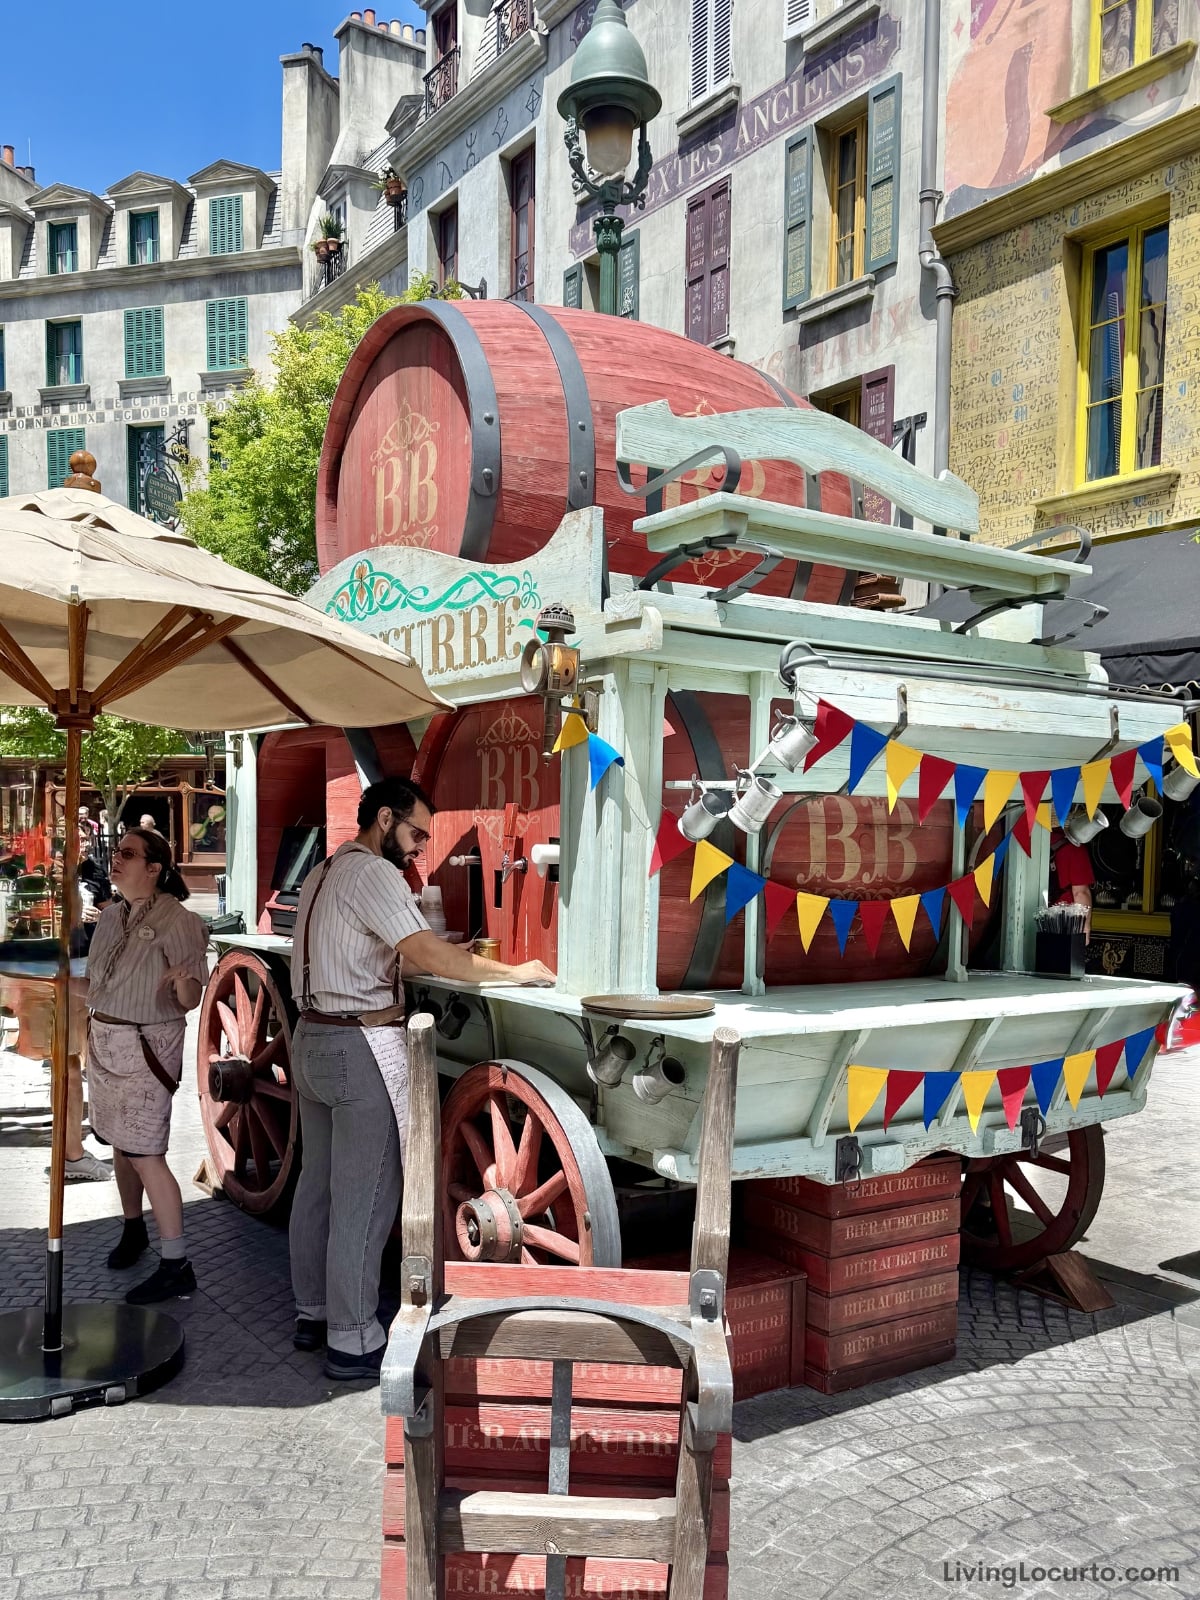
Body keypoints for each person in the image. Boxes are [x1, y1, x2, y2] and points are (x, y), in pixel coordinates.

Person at [288, 776, 554, 1382]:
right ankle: (352, 1340)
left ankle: (313, 1311)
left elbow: (385, 949)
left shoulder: (321, 873)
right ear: (384, 818)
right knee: (366, 1194)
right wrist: (514, 973)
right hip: (359, 1044)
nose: (419, 849)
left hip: (311, 1038)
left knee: (318, 1187)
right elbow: (428, 956)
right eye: (415, 833)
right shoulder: (374, 874)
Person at [87, 827, 209, 1303]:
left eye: (128, 854)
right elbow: (99, 987)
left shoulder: (178, 920)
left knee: (145, 1152)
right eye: (116, 852)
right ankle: (133, 1227)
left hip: (145, 1046)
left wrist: (183, 982)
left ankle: (176, 1261)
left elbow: (191, 995)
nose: (116, 860)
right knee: (120, 1144)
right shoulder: (111, 915)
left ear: (154, 868)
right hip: (104, 1041)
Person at [1049, 827, 1095, 942]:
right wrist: (1085, 928)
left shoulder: (1037, 838)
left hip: (1038, 917)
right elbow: (1081, 893)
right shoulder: (1075, 849)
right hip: (1064, 922)